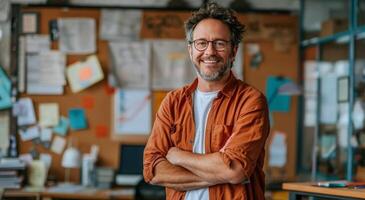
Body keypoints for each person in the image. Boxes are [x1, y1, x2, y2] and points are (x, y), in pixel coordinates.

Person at [143, 2, 270, 200]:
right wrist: (220, 173)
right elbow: (153, 170)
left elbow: (235, 170)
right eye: (201, 43)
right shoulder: (173, 102)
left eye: (219, 43)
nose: (209, 52)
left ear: (234, 50)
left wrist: (178, 156)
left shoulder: (251, 101)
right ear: (191, 50)